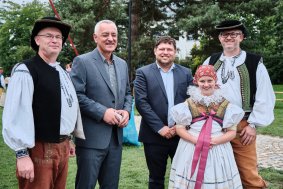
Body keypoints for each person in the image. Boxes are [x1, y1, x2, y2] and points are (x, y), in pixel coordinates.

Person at [2, 17, 85, 189]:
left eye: (58, 37)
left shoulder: (61, 71)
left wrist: (68, 139)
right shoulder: (26, 70)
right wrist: (22, 154)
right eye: (49, 36)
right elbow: (16, 113)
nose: (55, 40)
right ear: (37, 40)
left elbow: (65, 106)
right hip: (40, 149)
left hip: (61, 147)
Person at [203, 19, 275, 189]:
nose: (229, 37)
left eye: (234, 34)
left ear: (241, 37)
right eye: (225, 34)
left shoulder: (254, 62)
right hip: (214, 125)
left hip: (242, 127)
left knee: (248, 175)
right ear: (220, 38)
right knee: (217, 172)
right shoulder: (210, 61)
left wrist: (253, 125)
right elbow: (199, 89)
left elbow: (265, 96)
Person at [70, 20, 132, 189]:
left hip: (115, 139)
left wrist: (126, 111)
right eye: (105, 35)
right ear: (95, 37)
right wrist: (103, 112)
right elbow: (76, 95)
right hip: (91, 139)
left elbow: (127, 93)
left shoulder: (122, 64)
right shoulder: (82, 62)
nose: (110, 38)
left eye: (114, 35)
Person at [168, 65, 244, 189]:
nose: (206, 84)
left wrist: (213, 141)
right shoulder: (188, 103)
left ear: (215, 81)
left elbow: (231, 132)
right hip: (191, 146)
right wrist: (196, 141)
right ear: (197, 82)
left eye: (210, 80)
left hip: (217, 148)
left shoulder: (226, 104)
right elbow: (179, 128)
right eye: (202, 81)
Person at [134, 36, 193, 189]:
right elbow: (141, 102)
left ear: (175, 52)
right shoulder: (143, 73)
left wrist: (179, 126)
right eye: (162, 49)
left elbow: (192, 102)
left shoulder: (186, 73)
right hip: (154, 135)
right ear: (155, 51)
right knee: (155, 179)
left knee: (183, 177)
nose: (165, 52)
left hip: (181, 135)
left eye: (169, 49)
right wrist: (161, 128)